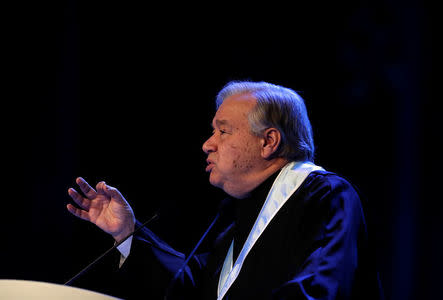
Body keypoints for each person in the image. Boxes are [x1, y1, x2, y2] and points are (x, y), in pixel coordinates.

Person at [67, 81, 383, 299]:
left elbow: (322, 288)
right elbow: (191, 287)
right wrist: (127, 233)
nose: (208, 144)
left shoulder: (326, 197)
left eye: (223, 131)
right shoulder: (235, 220)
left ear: (268, 142)